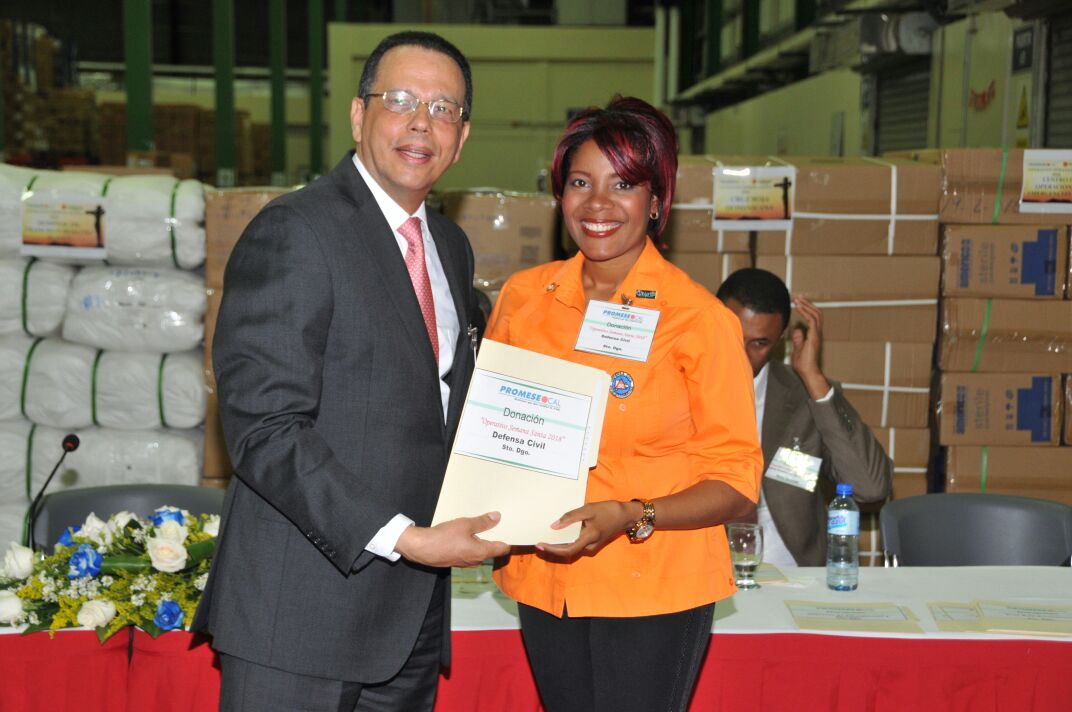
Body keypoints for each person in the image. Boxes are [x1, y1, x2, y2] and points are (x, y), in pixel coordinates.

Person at [192, 31, 509, 712]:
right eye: (400, 100)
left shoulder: (448, 245)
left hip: (409, 620)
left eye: (443, 108)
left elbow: (435, 409)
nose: (421, 122)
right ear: (360, 116)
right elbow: (267, 428)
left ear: (462, 137)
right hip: (300, 616)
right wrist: (404, 537)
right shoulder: (297, 231)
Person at [485, 97, 763, 712]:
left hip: (652, 587)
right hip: (545, 580)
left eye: (624, 185)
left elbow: (738, 482)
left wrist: (633, 514)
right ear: (559, 195)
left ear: (657, 200)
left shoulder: (699, 321)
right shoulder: (524, 299)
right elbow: (495, 432)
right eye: (580, 182)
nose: (598, 204)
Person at [716, 268, 892, 567]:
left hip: (790, 577)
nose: (741, 355)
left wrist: (813, 379)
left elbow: (871, 487)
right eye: (732, 336)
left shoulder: (804, 399)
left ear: (780, 340)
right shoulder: (676, 387)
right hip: (698, 576)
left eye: (759, 343)